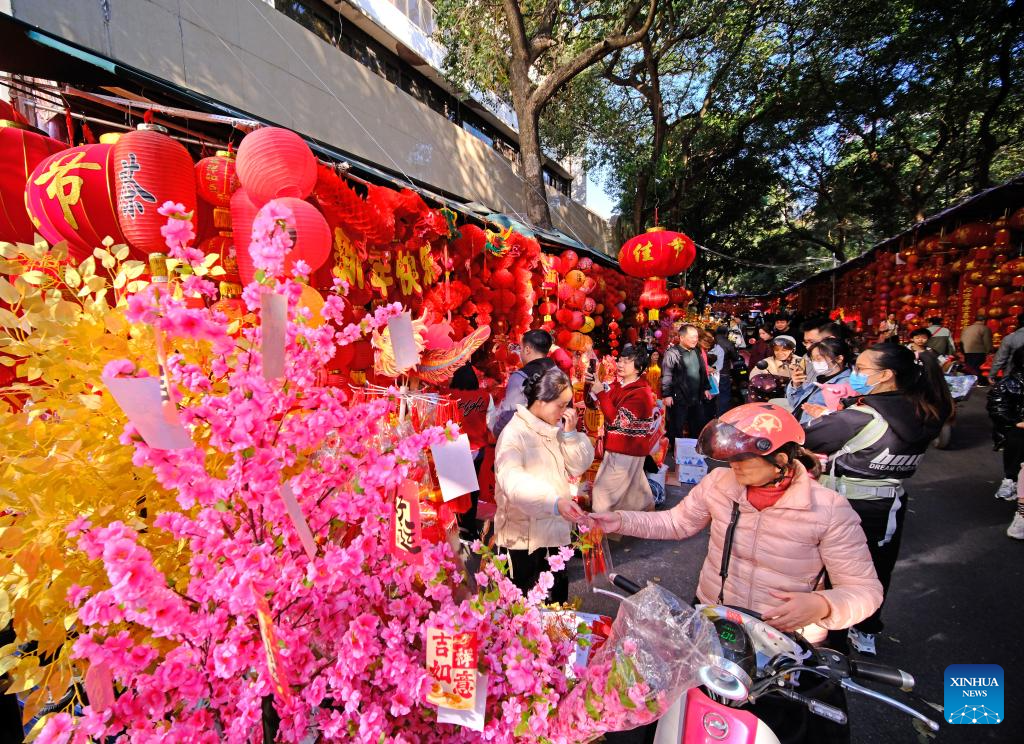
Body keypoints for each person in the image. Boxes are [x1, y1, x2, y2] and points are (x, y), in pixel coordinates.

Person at [591, 403, 882, 744]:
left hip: (784, 650)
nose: (733, 467)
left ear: (782, 459)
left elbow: (864, 590)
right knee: (686, 720)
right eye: (730, 458)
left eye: (743, 459)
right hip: (713, 627)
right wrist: (621, 519)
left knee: (778, 729)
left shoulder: (828, 510)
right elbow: (677, 522)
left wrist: (821, 605)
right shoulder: (719, 483)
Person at [803, 343, 953, 656]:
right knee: (876, 571)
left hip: (845, 507)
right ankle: (867, 630)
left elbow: (808, 437)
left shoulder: (860, 417)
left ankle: (833, 643)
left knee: (834, 575)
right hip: (889, 506)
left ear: (885, 375)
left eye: (861, 369)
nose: (856, 374)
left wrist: (826, 420)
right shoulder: (926, 410)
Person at [493, 364, 594, 602]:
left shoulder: (554, 429)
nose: (565, 411)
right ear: (540, 400)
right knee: (522, 617)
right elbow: (513, 482)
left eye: (566, 404)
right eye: (560, 405)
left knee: (554, 614)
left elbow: (579, 465)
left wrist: (570, 435)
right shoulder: (514, 434)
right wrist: (554, 501)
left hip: (554, 535)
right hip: (522, 542)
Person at [590, 344, 658, 513]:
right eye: (620, 360)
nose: (620, 364)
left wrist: (600, 392)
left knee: (602, 493)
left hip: (625, 448)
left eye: (627, 361)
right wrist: (591, 385)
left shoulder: (641, 393)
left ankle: (598, 530)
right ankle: (646, 517)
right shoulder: (619, 386)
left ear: (639, 368)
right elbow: (596, 403)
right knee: (635, 489)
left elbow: (617, 420)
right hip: (625, 447)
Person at [449, 363, 493, 541]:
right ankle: (469, 528)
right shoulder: (485, 397)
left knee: (457, 489)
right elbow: (492, 422)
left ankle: (457, 524)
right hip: (477, 448)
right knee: (473, 489)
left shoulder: (449, 396)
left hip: (455, 447)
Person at [489, 329, 553, 438]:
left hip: (529, 443)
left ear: (527, 350)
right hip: (554, 440)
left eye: (521, 348)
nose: (520, 353)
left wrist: (495, 430)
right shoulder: (560, 374)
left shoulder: (519, 377)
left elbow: (509, 415)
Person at [661, 324, 712, 458]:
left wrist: (706, 388)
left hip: (696, 395)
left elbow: (702, 371)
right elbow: (667, 374)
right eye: (692, 337)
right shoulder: (673, 353)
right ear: (682, 338)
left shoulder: (696, 351)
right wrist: (666, 394)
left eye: (696, 337)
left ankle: (693, 451)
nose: (695, 340)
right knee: (677, 424)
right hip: (679, 395)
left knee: (697, 423)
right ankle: (677, 452)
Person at [985, 345, 1024, 502]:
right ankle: (1011, 479)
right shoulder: (1008, 383)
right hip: (1016, 427)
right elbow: (997, 407)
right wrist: (1017, 422)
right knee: (1018, 437)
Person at [787, 337, 854, 423]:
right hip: (799, 425)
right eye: (813, 359)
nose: (815, 363)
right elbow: (795, 404)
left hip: (814, 431)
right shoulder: (819, 378)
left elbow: (843, 419)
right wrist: (796, 385)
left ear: (839, 358)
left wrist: (825, 413)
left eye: (819, 359)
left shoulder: (846, 385)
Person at [712, 326, 741, 414]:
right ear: (726, 333)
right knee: (724, 394)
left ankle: (713, 413)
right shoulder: (728, 343)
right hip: (724, 372)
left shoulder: (711, 341)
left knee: (712, 393)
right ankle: (722, 414)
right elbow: (735, 357)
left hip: (711, 372)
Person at [960, 312, 993, 384]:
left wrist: (963, 352)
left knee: (969, 367)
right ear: (984, 321)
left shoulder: (966, 328)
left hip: (966, 351)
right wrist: (989, 352)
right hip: (979, 351)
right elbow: (987, 342)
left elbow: (961, 341)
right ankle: (979, 382)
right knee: (978, 368)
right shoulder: (985, 328)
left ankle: (968, 382)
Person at [990, 312, 1024, 381]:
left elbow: (1000, 359)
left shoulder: (1010, 338)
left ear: (1018, 323)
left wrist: (992, 374)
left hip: (1013, 377)